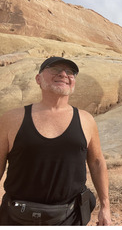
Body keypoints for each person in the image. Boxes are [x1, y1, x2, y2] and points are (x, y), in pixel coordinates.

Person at [0, 57, 111, 226]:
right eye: (55, 69)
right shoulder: (11, 119)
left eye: (70, 72)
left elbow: (96, 162)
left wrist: (105, 206)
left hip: (71, 218)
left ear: (73, 82)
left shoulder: (86, 120)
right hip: (17, 218)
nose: (63, 74)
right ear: (38, 79)